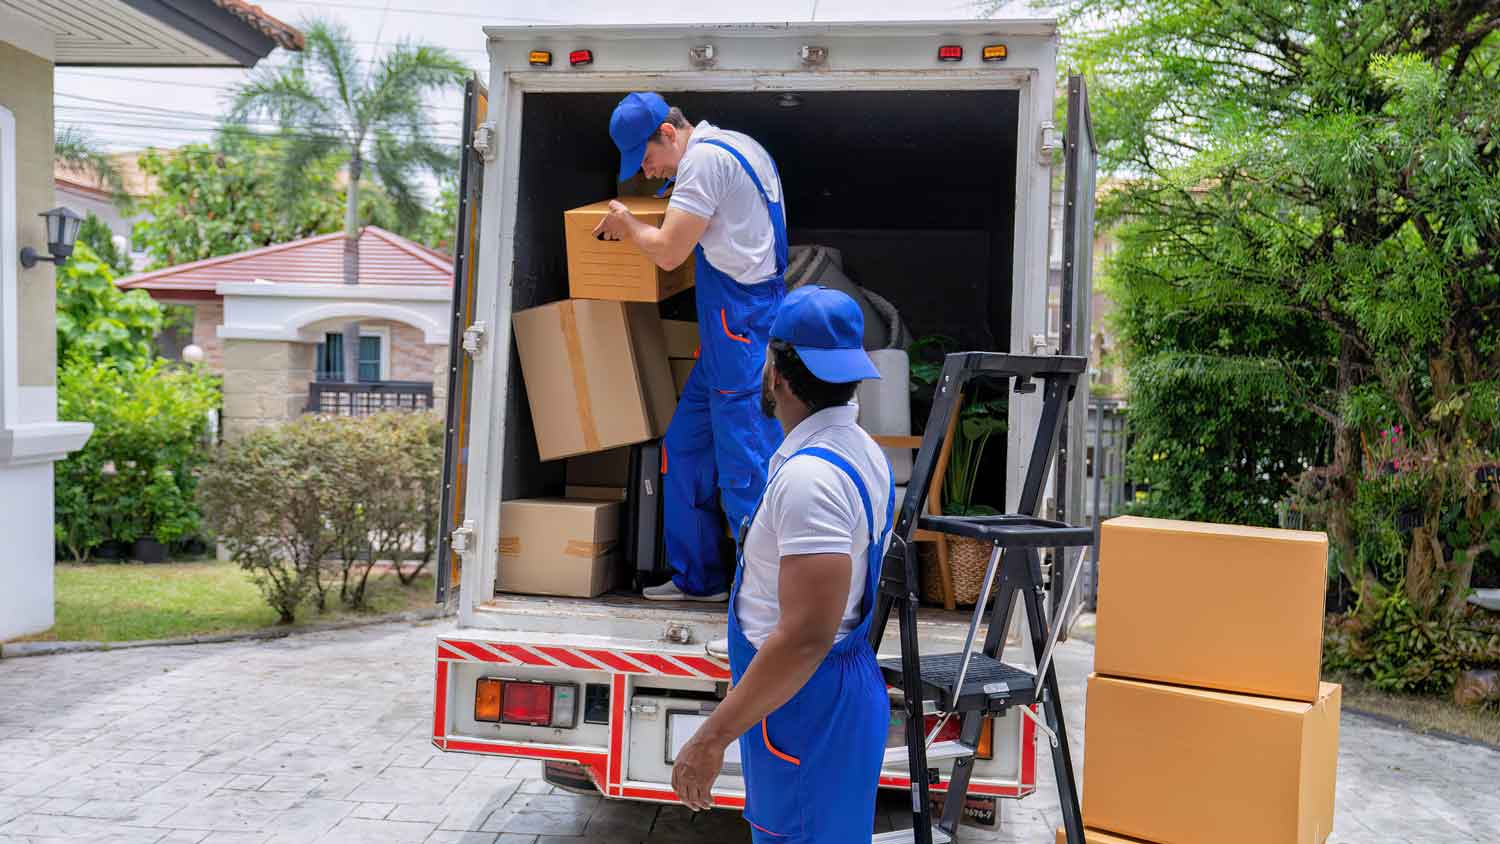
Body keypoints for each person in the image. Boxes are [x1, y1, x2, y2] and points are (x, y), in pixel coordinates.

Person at [669, 285, 893, 842]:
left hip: (804, 702)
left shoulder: (809, 480)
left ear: (776, 374)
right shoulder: (862, 448)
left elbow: (805, 637)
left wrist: (710, 738)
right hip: (813, 694)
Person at [594, 92, 788, 602]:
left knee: (745, 465)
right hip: (730, 327)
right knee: (682, 448)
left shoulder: (702, 163)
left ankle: (761, 601)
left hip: (738, 329)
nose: (647, 171)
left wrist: (629, 225)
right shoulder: (733, 146)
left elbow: (670, 252)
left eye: (647, 158)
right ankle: (698, 580)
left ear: (668, 132)